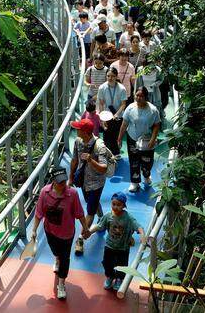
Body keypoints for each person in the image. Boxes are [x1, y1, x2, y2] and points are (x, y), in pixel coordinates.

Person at [31, 167, 90, 300]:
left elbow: (79, 213)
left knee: (65, 258)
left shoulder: (72, 194)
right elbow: (39, 212)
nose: (63, 184)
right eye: (60, 182)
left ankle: (61, 284)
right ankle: (57, 258)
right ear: (53, 181)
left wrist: (85, 228)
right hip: (50, 231)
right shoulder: (44, 192)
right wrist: (34, 230)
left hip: (67, 234)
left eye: (64, 181)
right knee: (55, 251)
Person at [84, 192, 145, 291]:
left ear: (124, 206)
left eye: (118, 205)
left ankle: (119, 279)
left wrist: (142, 235)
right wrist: (90, 232)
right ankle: (110, 276)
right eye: (113, 204)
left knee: (122, 265)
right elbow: (99, 226)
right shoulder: (108, 216)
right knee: (107, 263)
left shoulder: (128, 218)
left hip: (123, 248)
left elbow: (137, 226)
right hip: (110, 246)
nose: (115, 207)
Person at [69, 118, 109, 255]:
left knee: (90, 212)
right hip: (83, 181)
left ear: (85, 132)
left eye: (78, 129)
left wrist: (91, 160)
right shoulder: (78, 141)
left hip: (96, 183)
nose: (76, 130)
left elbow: (104, 168)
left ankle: (80, 239)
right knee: (91, 202)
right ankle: (102, 218)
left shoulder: (99, 146)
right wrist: (70, 178)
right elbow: (74, 160)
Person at [118, 87, 161, 192]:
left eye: (141, 96)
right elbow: (124, 124)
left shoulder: (153, 110)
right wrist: (119, 138)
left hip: (147, 140)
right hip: (132, 139)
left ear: (146, 97)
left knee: (147, 161)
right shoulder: (130, 108)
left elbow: (157, 125)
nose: (138, 98)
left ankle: (146, 176)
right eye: (137, 95)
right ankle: (135, 182)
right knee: (134, 161)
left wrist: (153, 139)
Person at [97, 67, 127, 156]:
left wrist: (116, 114)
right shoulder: (102, 87)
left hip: (118, 116)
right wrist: (102, 119)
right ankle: (107, 156)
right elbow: (101, 104)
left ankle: (116, 154)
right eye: (108, 76)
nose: (110, 78)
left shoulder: (122, 88)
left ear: (116, 76)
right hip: (107, 116)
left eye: (113, 76)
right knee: (106, 137)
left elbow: (123, 104)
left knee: (116, 136)